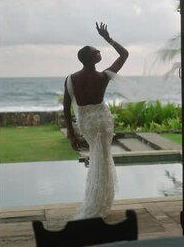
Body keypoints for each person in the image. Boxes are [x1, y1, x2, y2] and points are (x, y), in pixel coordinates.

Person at [63, 22, 129, 219]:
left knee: (97, 157)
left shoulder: (70, 78)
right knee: (103, 158)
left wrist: (71, 133)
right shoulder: (103, 76)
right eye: (97, 52)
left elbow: (66, 107)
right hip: (102, 121)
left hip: (86, 123)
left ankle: (96, 200)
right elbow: (124, 55)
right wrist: (108, 38)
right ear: (91, 58)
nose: (100, 53)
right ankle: (99, 202)